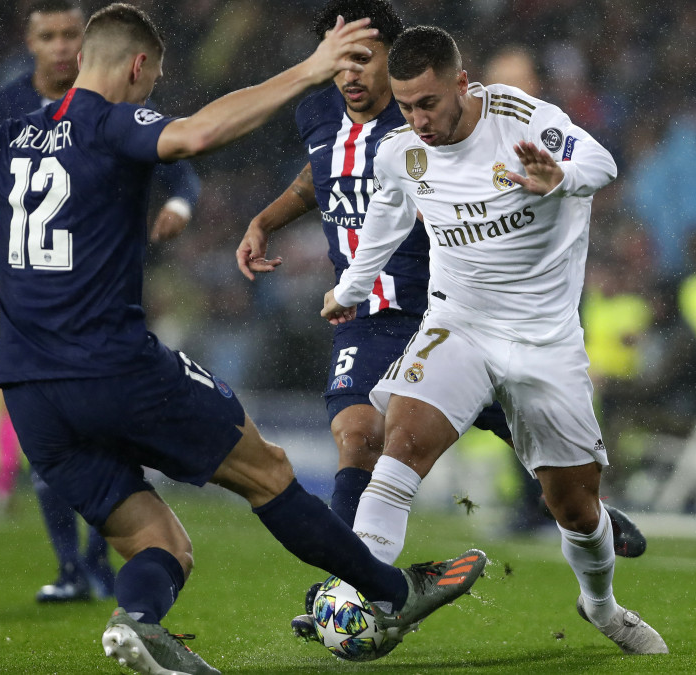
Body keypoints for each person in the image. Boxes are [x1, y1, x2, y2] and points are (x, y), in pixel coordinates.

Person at [0, 6, 486, 674]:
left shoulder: (9, 135)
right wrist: (309, 70)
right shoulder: (111, 121)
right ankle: (393, 591)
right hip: (116, 367)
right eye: (151, 84)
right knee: (266, 472)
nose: (148, 96)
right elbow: (199, 133)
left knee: (161, 541)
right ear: (138, 66)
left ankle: (137, 620)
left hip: (31, 392)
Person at [236, 0, 646, 638]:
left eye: (427, 103)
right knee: (392, 442)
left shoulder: (520, 117)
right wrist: (349, 287)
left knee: (573, 505)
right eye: (405, 106)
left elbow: (603, 163)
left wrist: (557, 176)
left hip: (543, 339)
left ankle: (601, 605)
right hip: (457, 324)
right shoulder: (402, 149)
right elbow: (385, 217)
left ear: (461, 83)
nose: (416, 119)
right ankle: (359, 596)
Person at [0, 0, 202, 604]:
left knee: (101, 443)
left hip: (103, 287)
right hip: (27, 295)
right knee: (51, 438)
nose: (63, 46)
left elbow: (178, 162)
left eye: (72, 33)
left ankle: (96, 563)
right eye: (50, 35)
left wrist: (180, 205)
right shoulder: (4, 108)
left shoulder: (115, 97)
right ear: (31, 41)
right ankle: (73, 567)